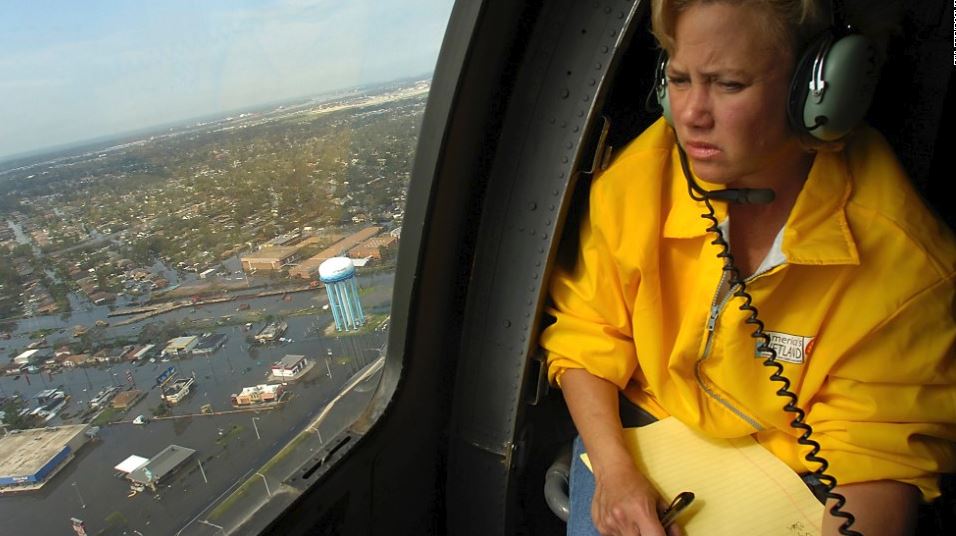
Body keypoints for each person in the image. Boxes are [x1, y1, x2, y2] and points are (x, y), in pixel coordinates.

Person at [539, 1, 956, 535]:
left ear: (818, 89)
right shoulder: (639, 180)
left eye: (729, 84)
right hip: (640, 439)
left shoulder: (904, 263)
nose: (691, 114)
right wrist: (617, 474)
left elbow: (874, 456)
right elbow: (585, 333)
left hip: (793, 480)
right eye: (680, 78)